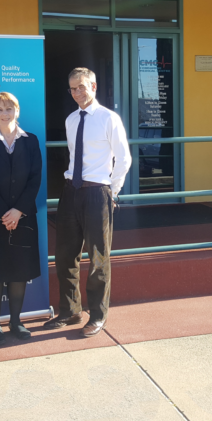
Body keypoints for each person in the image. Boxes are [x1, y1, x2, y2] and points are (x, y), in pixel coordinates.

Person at [44, 67, 131, 337]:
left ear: (94, 86)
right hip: (71, 192)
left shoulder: (108, 118)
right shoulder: (71, 119)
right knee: (64, 255)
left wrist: (112, 191)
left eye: (81, 86)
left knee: (98, 258)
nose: (77, 92)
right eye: (72, 88)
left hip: (97, 193)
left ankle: (97, 315)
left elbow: (124, 158)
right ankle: (70, 311)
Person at [0, 92, 42, 346]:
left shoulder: (31, 141)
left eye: (9, 108)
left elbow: (35, 179)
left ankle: (16, 321)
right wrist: (5, 213)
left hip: (23, 218)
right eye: (0, 109)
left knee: (18, 273)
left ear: (18, 111)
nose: (5, 113)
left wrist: (18, 210)